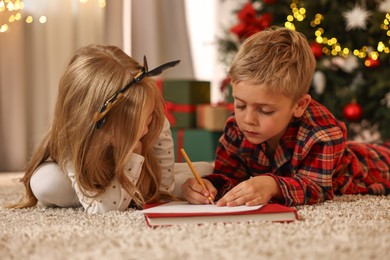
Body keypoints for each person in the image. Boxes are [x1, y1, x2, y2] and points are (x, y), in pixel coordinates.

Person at [182, 27, 390, 207]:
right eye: (240, 105)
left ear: (299, 105)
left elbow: (316, 188)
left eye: (265, 110)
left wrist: (272, 185)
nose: (248, 119)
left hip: (374, 167)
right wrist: (208, 186)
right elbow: (230, 177)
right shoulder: (237, 128)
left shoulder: (323, 132)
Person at [8, 44, 213, 214]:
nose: (147, 129)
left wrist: (179, 189)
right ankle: (113, 193)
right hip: (90, 177)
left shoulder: (151, 116)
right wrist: (133, 151)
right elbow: (105, 210)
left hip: (140, 175)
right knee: (47, 183)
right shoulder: (75, 140)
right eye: (140, 123)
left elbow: (163, 188)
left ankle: (129, 192)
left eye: (149, 117)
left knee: (207, 170)